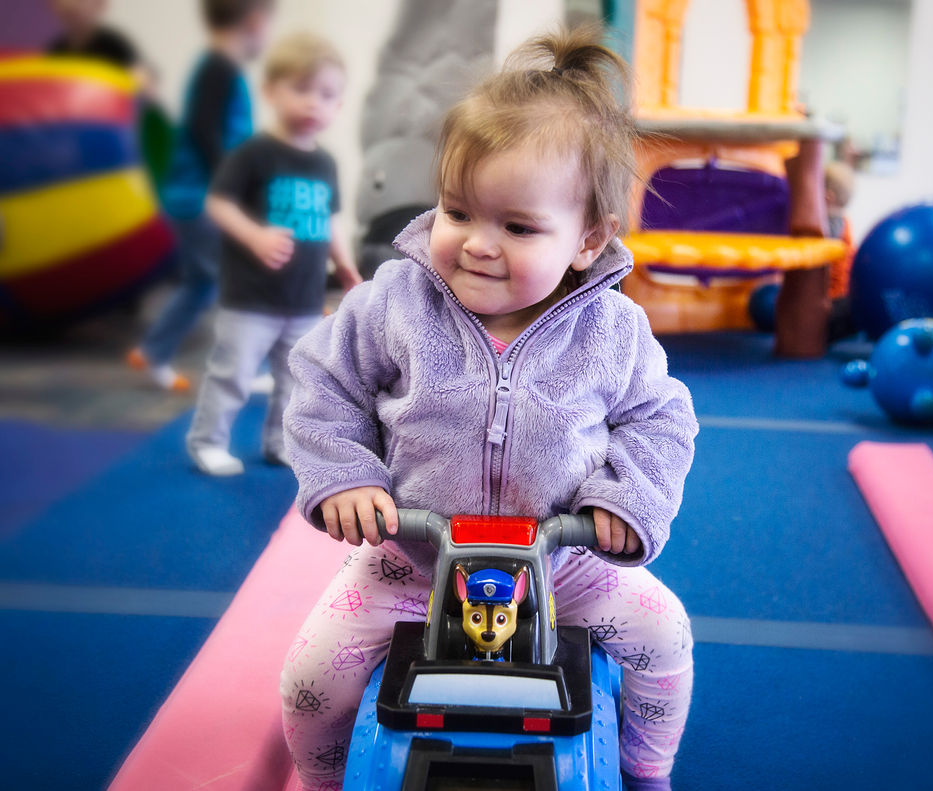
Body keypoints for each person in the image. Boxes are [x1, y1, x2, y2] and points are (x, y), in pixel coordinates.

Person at [281, 27, 698, 791]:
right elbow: (321, 380)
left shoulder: (612, 330)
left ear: (588, 239)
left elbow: (661, 418)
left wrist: (624, 500)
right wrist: (343, 474)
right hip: (412, 560)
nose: (477, 244)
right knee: (310, 675)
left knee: (664, 634)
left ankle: (646, 770)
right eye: (458, 210)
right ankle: (320, 776)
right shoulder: (395, 304)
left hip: (563, 564)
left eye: (517, 226)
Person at [185, 32, 361, 477]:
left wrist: (343, 264)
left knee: (297, 380)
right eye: (300, 90)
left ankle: (280, 443)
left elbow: (329, 218)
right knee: (233, 374)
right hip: (251, 297)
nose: (312, 104)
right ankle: (208, 441)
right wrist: (256, 236)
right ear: (270, 91)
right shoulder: (253, 154)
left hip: (302, 298)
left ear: (338, 106)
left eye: (326, 95)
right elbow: (219, 204)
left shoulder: (325, 163)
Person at [127, 0, 274, 391]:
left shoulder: (218, 68)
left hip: (196, 196)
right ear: (256, 21)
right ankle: (226, 367)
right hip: (201, 199)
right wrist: (231, 188)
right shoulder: (218, 69)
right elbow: (205, 132)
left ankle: (153, 349)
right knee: (227, 282)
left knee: (203, 282)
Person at [824, 160, 858, 342]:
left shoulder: (830, 226)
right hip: (844, 296)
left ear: (828, 197)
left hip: (833, 299)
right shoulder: (844, 222)